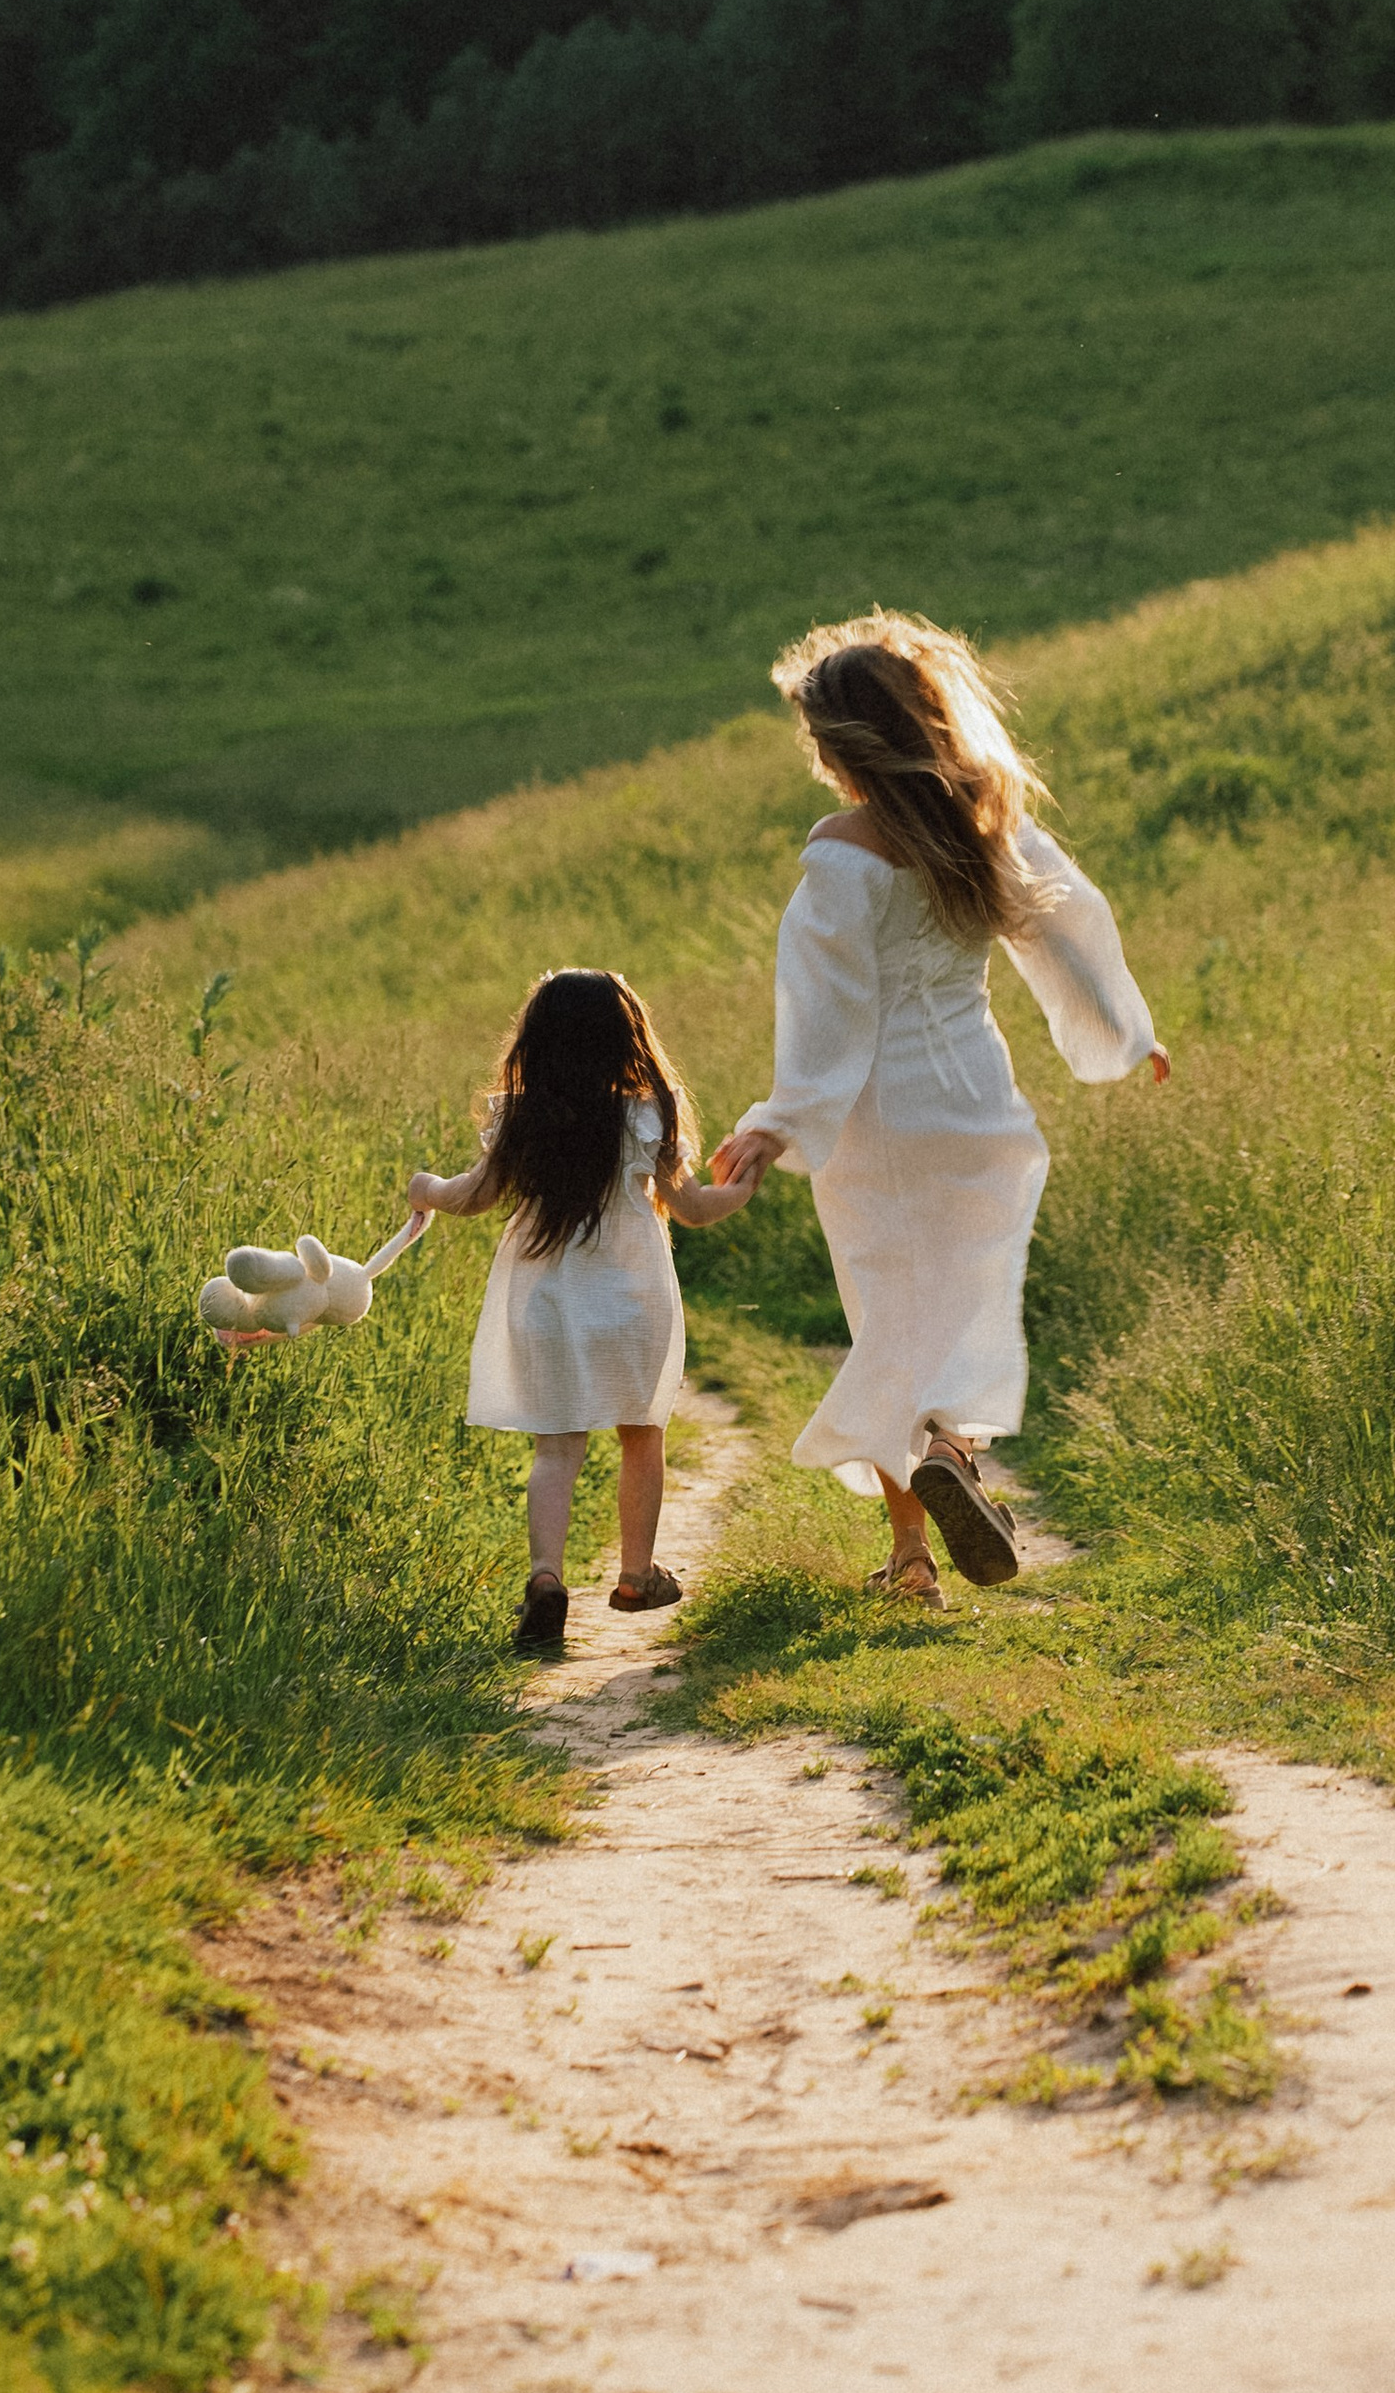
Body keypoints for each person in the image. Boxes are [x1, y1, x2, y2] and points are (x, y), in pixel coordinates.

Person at [707, 610, 1166, 1599]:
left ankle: (912, 1555)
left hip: (879, 1123)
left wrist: (778, 1120)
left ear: (837, 749)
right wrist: (1129, 1033)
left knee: (891, 1325)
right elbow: (1070, 923)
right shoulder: (985, 822)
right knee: (957, 1311)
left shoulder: (843, 850)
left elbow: (826, 1014)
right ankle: (952, 1451)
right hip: (980, 1112)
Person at [410, 969, 760, 1652]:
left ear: (536, 1041)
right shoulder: (647, 1112)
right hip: (632, 1297)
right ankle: (636, 1573)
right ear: (628, 1038)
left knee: (558, 1445)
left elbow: (473, 1196)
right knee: (642, 1432)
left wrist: (426, 1187)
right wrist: (740, 1191)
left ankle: (546, 1578)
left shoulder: (522, 1115)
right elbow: (690, 1208)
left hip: (546, 1298)